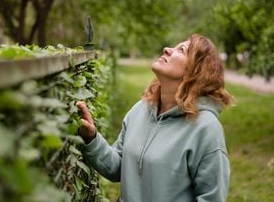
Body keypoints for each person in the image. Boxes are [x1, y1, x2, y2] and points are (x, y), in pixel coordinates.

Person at [76, 33, 234, 202]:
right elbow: (118, 167)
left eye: (181, 50)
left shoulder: (206, 129)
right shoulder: (140, 110)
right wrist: (91, 138)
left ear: (196, 71)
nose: (167, 49)